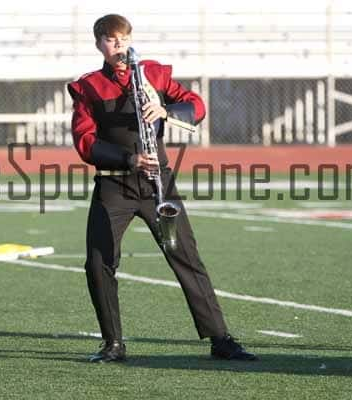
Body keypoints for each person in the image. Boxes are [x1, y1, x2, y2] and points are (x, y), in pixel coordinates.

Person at [66, 14, 257, 363]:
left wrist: (166, 110)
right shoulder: (88, 86)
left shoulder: (154, 73)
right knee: (98, 262)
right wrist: (129, 159)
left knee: (185, 256)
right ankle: (113, 344)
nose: (119, 44)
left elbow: (196, 106)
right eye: (110, 39)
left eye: (123, 37)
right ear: (99, 45)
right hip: (114, 184)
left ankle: (220, 339)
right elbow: (84, 141)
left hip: (159, 183)